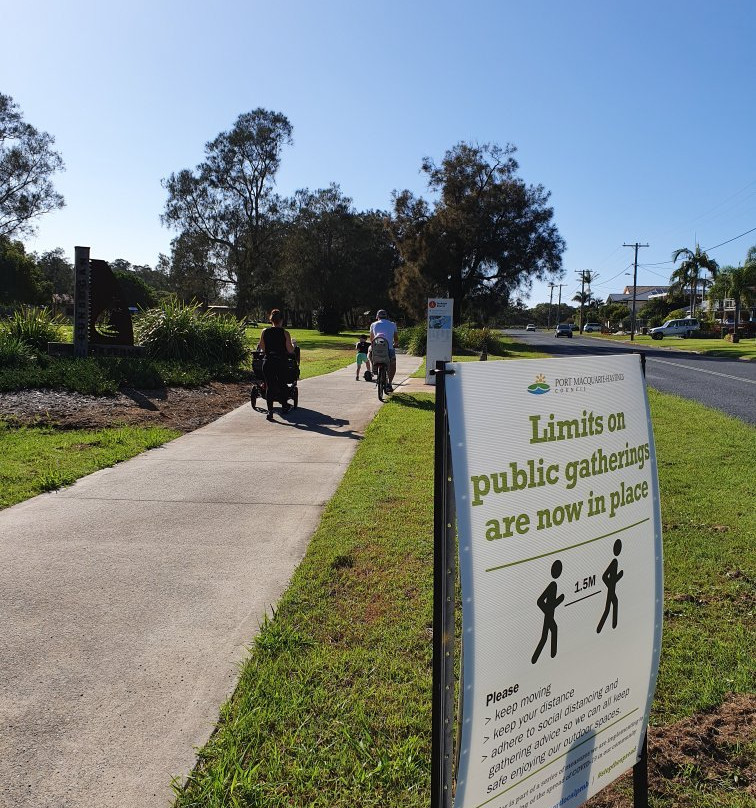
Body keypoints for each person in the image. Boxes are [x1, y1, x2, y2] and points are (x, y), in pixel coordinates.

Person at [257, 309, 295, 421]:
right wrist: (293, 344)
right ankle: (284, 406)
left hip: (268, 361)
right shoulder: (285, 333)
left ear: (271, 320)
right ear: (281, 320)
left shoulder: (265, 332)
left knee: (269, 386)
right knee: (282, 384)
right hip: (281, 362)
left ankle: (270, 411)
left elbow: (262, 347)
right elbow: (290, 350)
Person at [369, 309, 398, 392]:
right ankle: (390, 383)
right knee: (392, 364)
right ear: (386, 317)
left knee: (369, 353)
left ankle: (374, 366)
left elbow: (371, 339)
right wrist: (395, 344)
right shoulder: (392, 324)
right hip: (389, 349)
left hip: (376, 348)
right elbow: (396, 338)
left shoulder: (373, 324)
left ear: (377, 317)